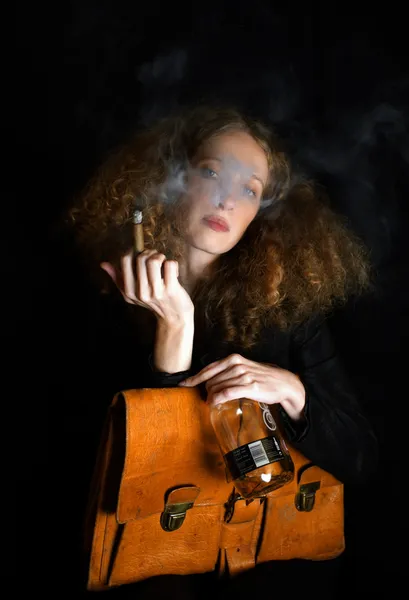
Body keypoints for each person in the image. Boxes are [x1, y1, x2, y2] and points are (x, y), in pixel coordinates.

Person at [65, 105, 378, 598]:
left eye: (249, 189)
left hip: (270, 580)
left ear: (260, 213)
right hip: (155, 580)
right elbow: (133, 473)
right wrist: (175, 328)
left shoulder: (288, 311)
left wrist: (297, 393)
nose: (228, 199)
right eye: (212, 172)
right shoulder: (104, 298)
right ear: (168, 180)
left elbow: (360, 460)